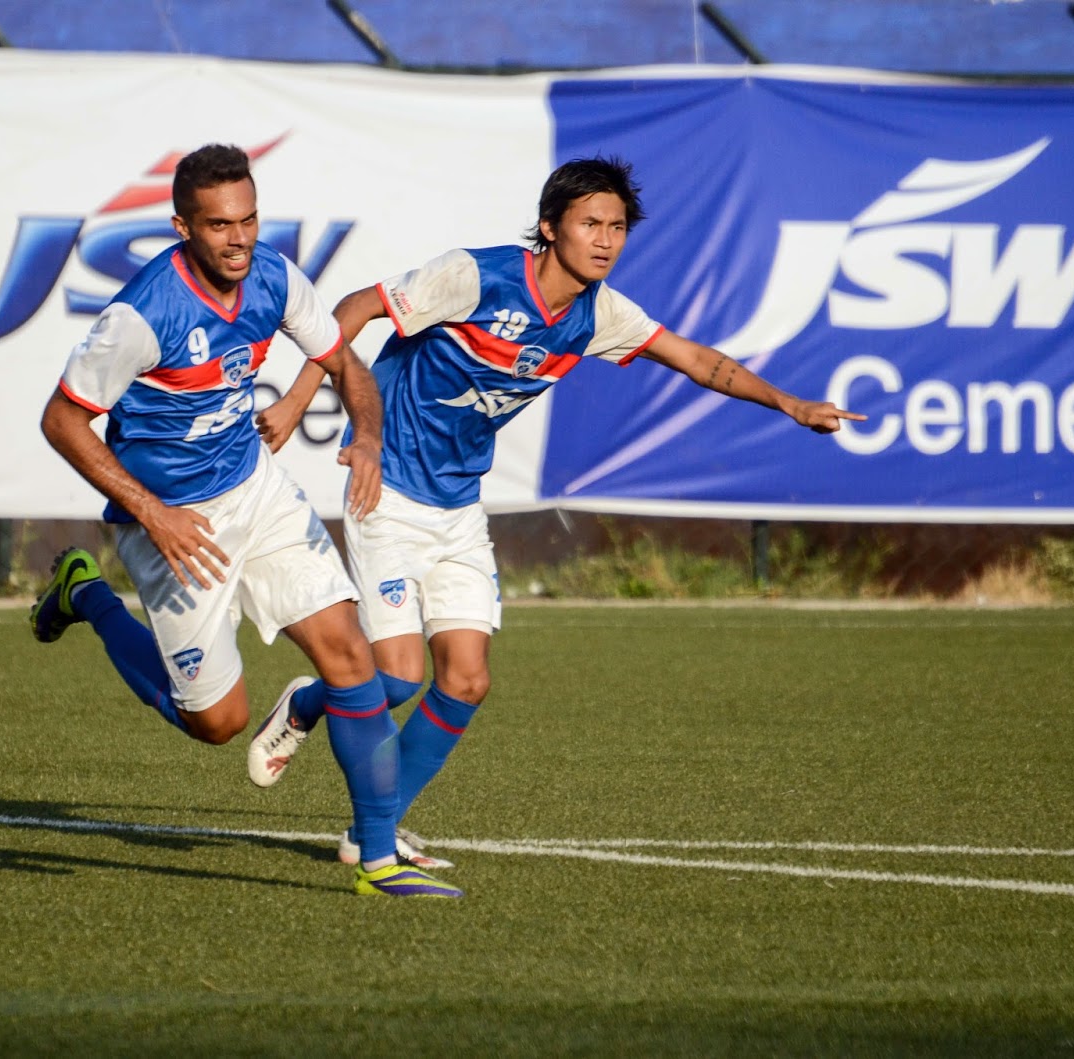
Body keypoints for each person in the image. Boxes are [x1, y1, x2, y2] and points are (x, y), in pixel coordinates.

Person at [251, 156, 866, 867]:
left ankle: (371, 832)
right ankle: (306, 704)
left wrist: (789, 403)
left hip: (458, 507)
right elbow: (355, 308)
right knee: (395, 680)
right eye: (590, 223)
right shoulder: (476, 277)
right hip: (386, 490)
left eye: (617, 227)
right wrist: (298, 401)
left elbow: (697, 360)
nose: (605, 240)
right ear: (549, 227)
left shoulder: (599, 314)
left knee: (467, 681)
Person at [31, 144, 461, 898]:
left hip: (255, 491)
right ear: (182, 227)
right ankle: (88, 595)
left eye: (249, 219)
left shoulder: (276, 278)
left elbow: (346, 364)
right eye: (219, 225)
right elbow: (62, 420)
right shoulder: (141, 314)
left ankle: (378, 857)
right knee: (218, 723)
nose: (239, 239)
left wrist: (367, 435)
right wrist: (153, 512)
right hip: (173, 522)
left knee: (349, 655)